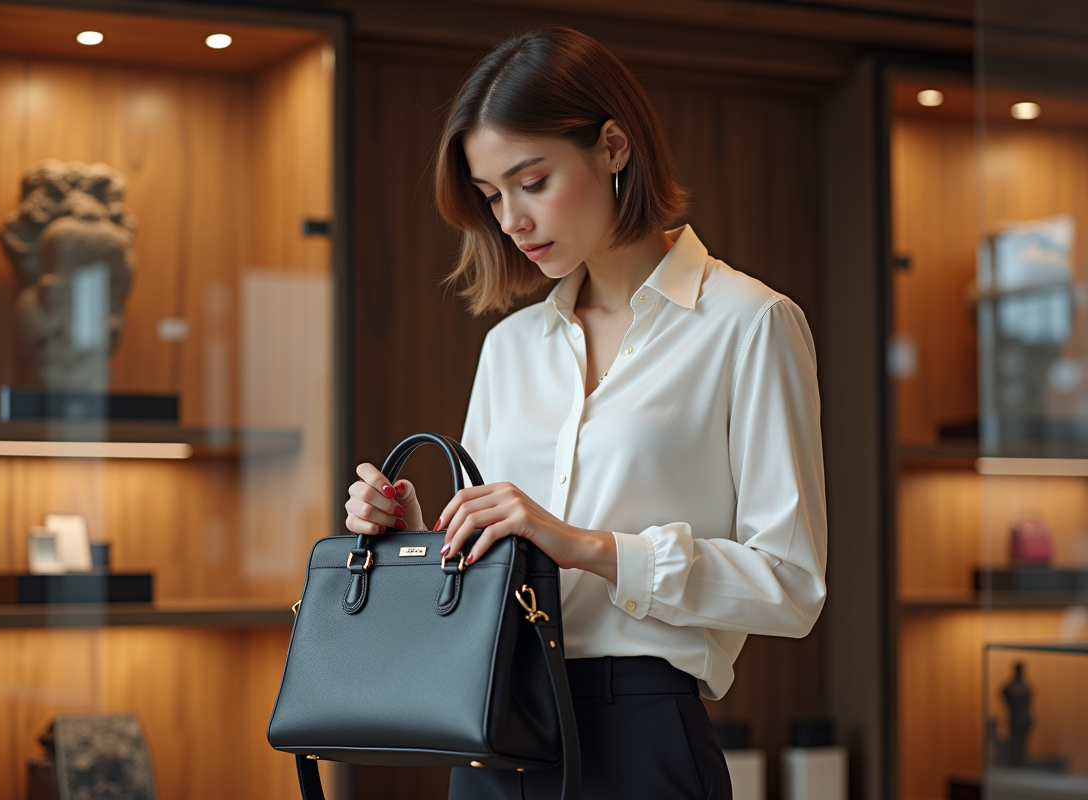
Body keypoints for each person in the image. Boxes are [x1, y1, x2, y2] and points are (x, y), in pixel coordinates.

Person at [344, 25, 826, 800]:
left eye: (531, 181)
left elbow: (791, 586)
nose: (511, 220)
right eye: (491, 195)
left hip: (642, 733)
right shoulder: (509, 347)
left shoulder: (750, 323)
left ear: (612, 146)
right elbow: (493, 567)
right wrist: (420, 539)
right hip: (494, 728)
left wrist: (588, 547)